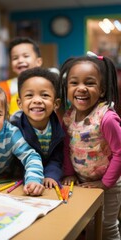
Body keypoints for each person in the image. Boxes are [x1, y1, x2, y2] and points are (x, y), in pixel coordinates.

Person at [60, 52, 121, 240]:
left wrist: (104, 184)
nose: (81, 88)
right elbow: (67, 147)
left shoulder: (106, 118)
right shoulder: (68, 116)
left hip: (109, 184)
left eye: (89, 83)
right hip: (82, 182)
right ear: (67, 87)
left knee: (106, 227)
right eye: (74, 83)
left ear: (101, 90)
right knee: (88, 226)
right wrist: (69, 173)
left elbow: (120, 153)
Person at [11, 67, 65, 189]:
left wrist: (51, 175)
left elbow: (57, 158)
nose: (37, 100)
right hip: (19, 180)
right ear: (20, 103)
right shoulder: (14, 129)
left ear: (56, 104)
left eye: (45, 95)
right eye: (29, 95)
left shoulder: (58, 129)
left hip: (45, 180)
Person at [0, 37, 43, 116]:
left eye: (26, 56)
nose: (20, 61)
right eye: (15, 58)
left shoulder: (47, 84)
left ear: (38, 62)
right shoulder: (4, 87)